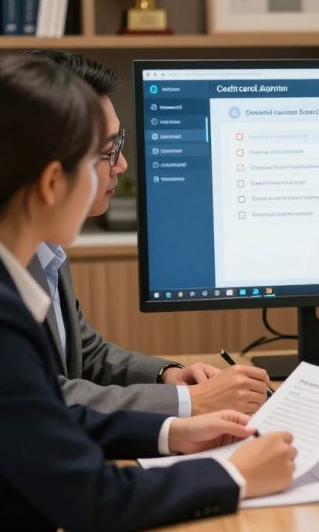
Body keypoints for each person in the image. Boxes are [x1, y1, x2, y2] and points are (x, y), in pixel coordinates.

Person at [0, 55, 296, 530]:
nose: (116, 167)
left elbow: (40, 420)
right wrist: (233, 475)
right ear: (53, 181)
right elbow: (89, 499)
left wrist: (171, 432)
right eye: (102, 153)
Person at [20, 49, 270, 417]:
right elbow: (38, 396)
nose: (121, 164)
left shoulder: (47, 246)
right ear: (51, 164)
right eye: (109, 150)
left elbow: (82, 354)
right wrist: (191, 404)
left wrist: (168, 376)